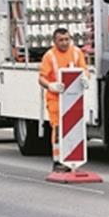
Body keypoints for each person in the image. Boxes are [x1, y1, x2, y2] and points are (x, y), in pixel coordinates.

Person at [38, 27, 87, 172]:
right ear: (54, 41)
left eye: (67, 39)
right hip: (56, 99)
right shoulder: (50, 56)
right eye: (61, 40)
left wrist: (85, 79)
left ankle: (72, 160)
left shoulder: (77, 53)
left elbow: (84, 69)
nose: (65, 43)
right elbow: (41, 78)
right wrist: (50, 85)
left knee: (74, 128)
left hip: (74, 98)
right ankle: (58, 160)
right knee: (58, 128)